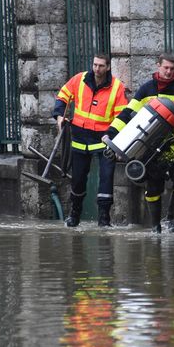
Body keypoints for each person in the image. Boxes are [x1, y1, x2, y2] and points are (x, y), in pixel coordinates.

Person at [105, 52, 174, 233]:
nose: (169, 72)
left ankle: (170, 218)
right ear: (158, 66)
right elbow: (127, 114)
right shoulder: (146, 90)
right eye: (166, 68)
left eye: (172, 69)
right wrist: (111, 133)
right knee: (153, 188)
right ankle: (156, 226)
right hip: (151, 148)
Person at [53, 53, 128, 227]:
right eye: (95, 64)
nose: (97, 69)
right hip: (79, 138)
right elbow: (63, 96)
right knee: (78, 179)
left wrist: (113, 136)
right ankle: (75, 215)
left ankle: (104, 219)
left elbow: (122, 115)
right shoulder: (79, 79)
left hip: (105, 139)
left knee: (106, 179)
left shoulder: (117, 87)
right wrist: (59, 117)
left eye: (101, 65)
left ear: (108, 67)